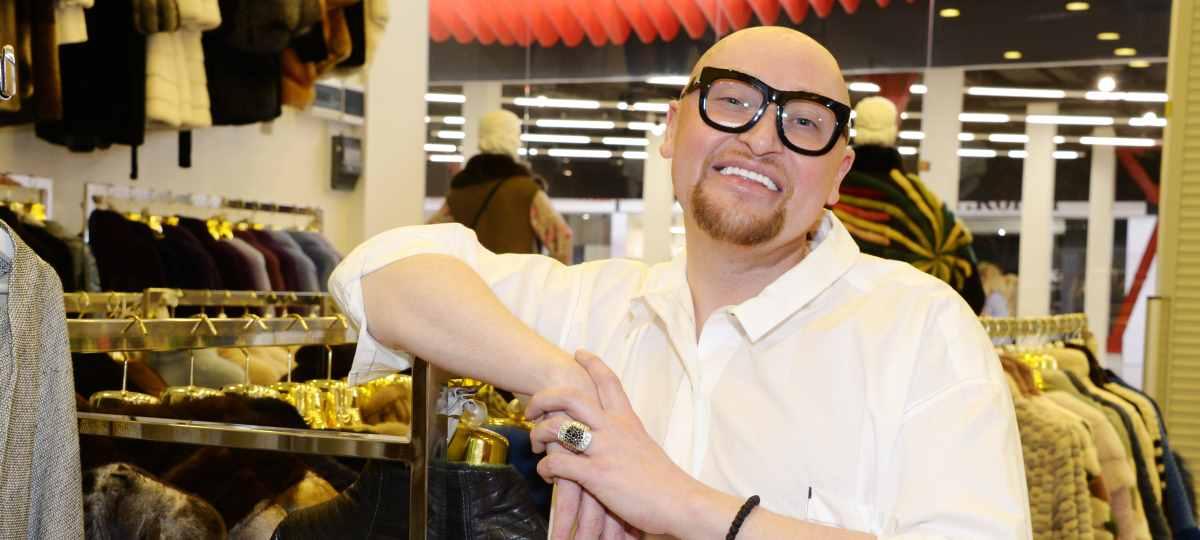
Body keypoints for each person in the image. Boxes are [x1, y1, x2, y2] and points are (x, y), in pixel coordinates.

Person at [331, 27, 1031, 539]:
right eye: (733, 101)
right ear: (672, 129)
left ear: (838, 174)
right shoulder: (598, 307)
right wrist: (564, 383)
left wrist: (680, 501)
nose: (762, 139)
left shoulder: (920, 329)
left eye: (804, 121)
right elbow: (381, 271)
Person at [834, 96, 987, 314]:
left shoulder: (826, 197)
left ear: (855, 130)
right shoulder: (928, 211)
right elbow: (972, 295)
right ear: (895, 130)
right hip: (906, 324)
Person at [428, 109, 574, 264]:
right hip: (516, 277)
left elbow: (430, 234)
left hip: (470, 276)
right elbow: (562, 237)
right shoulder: (526, 190)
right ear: (512, 139)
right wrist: (551, 275)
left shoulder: (459, 191)